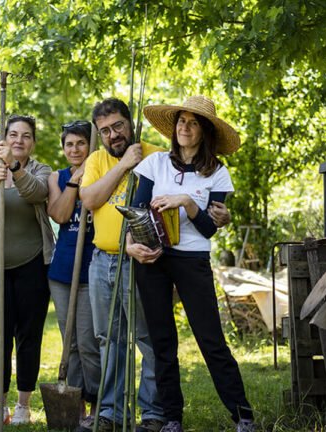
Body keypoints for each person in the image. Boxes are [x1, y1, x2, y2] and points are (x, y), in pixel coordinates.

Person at [128, 96, 254, 432]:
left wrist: (186, 201)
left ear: (205, 131)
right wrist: (132, 247)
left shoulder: (218, 174)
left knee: (210, 339)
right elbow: (138, 213)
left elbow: (210, 228)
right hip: (152, 258)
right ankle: (172, 418)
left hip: (192, 259)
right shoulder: (154, 165)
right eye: (181, 120)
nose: (185, 126)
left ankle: (243, 415)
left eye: (193, 122)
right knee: (162, 340)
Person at [77, 97, 166, 432]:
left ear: (130, 124)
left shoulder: (156, 155)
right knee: (108, 338)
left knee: (148, 337)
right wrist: (124, 164)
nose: (113, 134)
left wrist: (137, 162)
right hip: (102, 261)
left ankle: (154, 413)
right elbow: (90, 200)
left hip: (143, 261)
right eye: (105, 131)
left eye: (118, 126)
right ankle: (113, 412)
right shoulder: (98, 159)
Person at [0, 115, 54, 426]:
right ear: (4, 138)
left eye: (26, 136)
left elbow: (37, 193)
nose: (19, 140)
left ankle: (23, 405)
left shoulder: (41, 170)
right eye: (13, 134)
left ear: (33, 142)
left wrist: (14, 169)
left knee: (28, 336)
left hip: (32, 265)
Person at [46, 120, 100, 429]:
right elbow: (61, 215)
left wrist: (88, 178)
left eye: (81, 143)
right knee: (72, 344)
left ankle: (98, 404)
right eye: (70, 144)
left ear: (90, 147)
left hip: (93, 269)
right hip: (63, 270)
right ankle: (75, 405)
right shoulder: (58, 177)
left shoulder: (104, 172)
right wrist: (74, 183)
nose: (75, 149)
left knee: (90, 341)